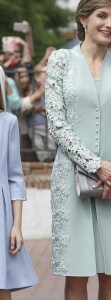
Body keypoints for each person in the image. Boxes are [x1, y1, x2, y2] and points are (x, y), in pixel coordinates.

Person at [45, 1, 111, 299]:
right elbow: (56, 122)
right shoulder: (60, 61)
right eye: (102, 16)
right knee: (76, 274)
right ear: (83, 18)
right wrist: (97, 166)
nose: (109, 24)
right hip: (70, 181)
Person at [0, 66, 39, 299]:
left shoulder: (8, 122)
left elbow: (15, 176)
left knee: (2, 285)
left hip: (2, 217)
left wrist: (16, 226)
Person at [27, 64, 56, 162]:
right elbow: (30, 103)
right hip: (34, 124)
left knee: (51, 142)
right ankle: (44, 159)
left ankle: (53, 157)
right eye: (45, 74)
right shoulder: (33, 89)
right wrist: (35, 107)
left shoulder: (53, 90)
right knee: (38, 143)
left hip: (47, 124)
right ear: (37, 78)